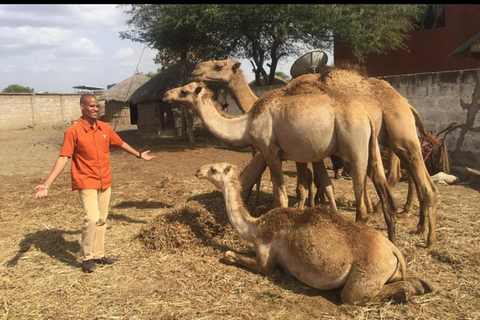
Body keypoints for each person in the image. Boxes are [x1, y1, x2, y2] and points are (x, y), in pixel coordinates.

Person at [34, 94, 155, 273]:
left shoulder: (104, 128)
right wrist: (47, 184)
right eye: (91, 106)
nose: (95, 109)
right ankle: (87, 257)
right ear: (82, 107)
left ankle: (98, 254)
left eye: (97, 106)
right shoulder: (73, 131)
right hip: (86, 180)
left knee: (102, 219)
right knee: (91, 217)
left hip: (105, 180)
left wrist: (139, 155)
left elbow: (120, 143)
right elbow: (64, 157)